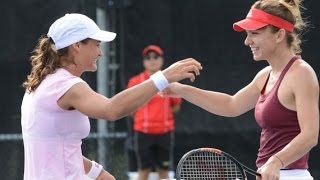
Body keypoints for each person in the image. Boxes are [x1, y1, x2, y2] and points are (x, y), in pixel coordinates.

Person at [20, 13, 202, 180]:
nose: (100, 53)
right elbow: (112, 109)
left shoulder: (45, 83)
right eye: (97, 45)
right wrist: (164, 77)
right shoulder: (65, 85)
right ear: (76, 46)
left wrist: (100, 174)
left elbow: (60, 151)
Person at [164, 0, 319, 179]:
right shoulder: (265, 75)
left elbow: (310, 135)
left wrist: (276, 161)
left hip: (291, 175)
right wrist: (181, 89)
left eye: (254, 33)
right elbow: (231, 105)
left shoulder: (302, 74)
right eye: (247, 34)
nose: (247, 41)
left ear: (279, 35)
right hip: (269, 173)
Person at [126, 45, 182, 180]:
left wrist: (161, 119)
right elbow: (128, 107)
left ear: (162, 60)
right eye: (148, 57)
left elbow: (176, 106)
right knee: (143, 171)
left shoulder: (169, 81)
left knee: (164, 171)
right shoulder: (135, 81)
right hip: (143, 133)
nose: (152, 60)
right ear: (143, 61)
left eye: (156, 57)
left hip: (164, 132)